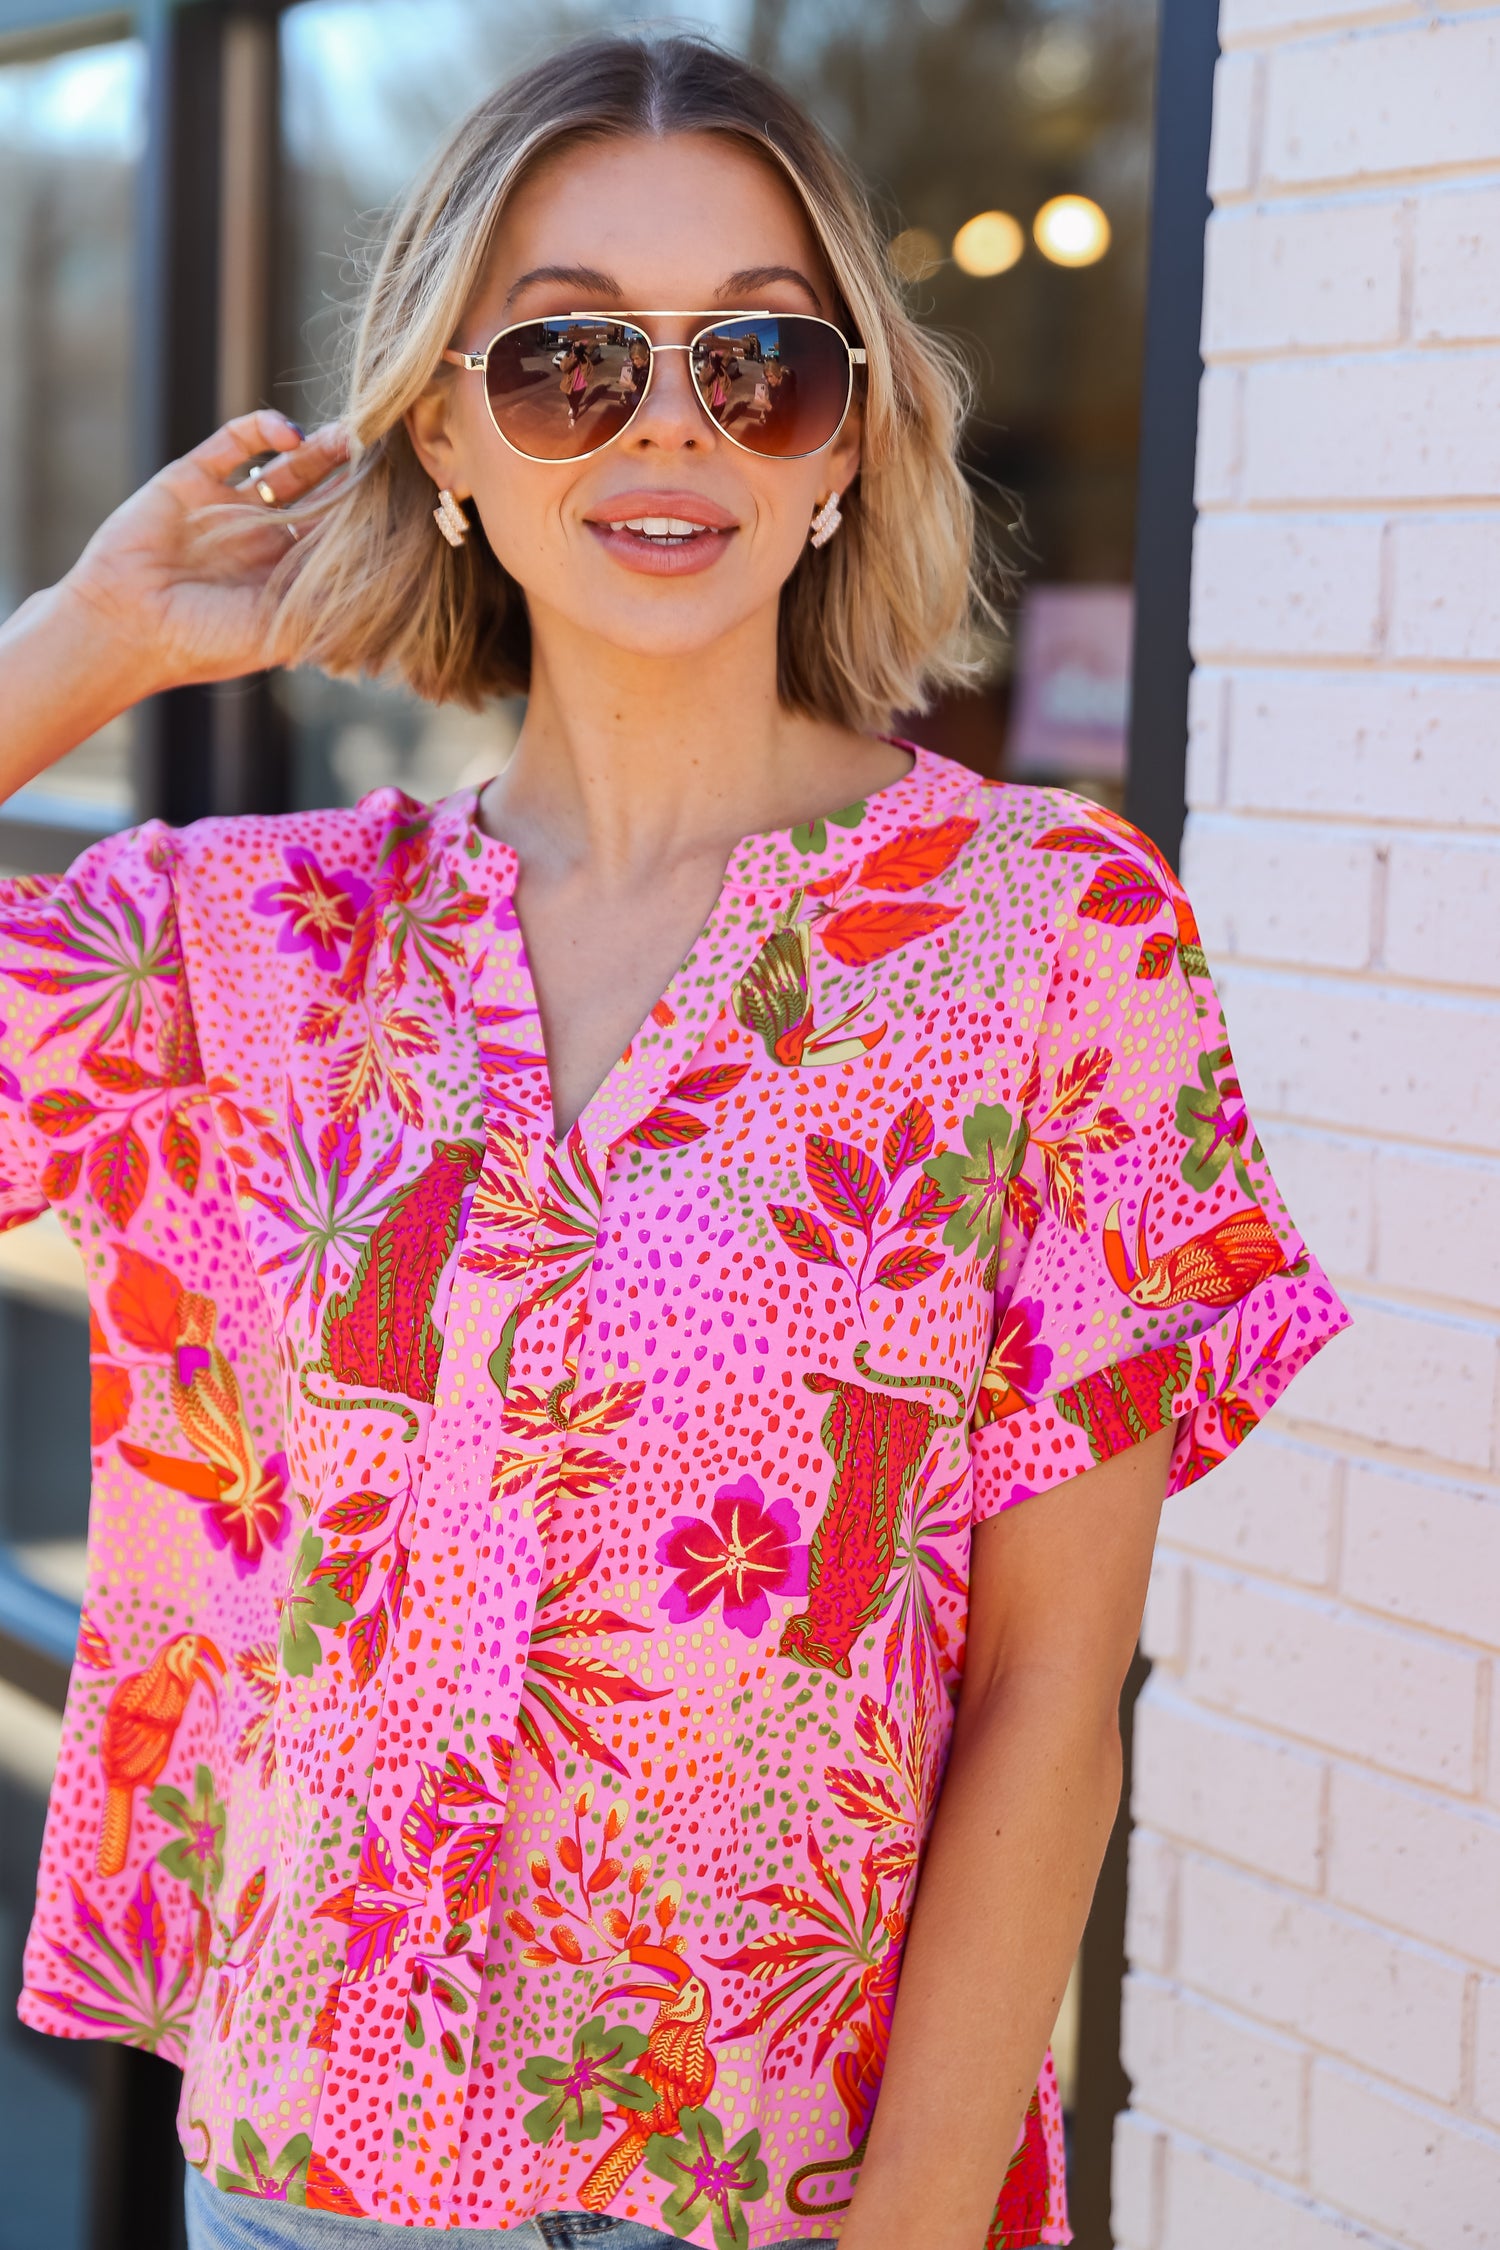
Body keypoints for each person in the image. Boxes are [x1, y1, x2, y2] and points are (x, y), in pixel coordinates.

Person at [0, 33, 1347, 2250]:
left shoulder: (1051, 941)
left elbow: (1047, 1683)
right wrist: (90, 638)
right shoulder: (257, 952)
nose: (670, 428)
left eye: (757, 358)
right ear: (440, 422)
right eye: (561, 360)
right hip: (318, 2172)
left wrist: (913, 2223)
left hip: (789, 2194)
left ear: (847, 439)